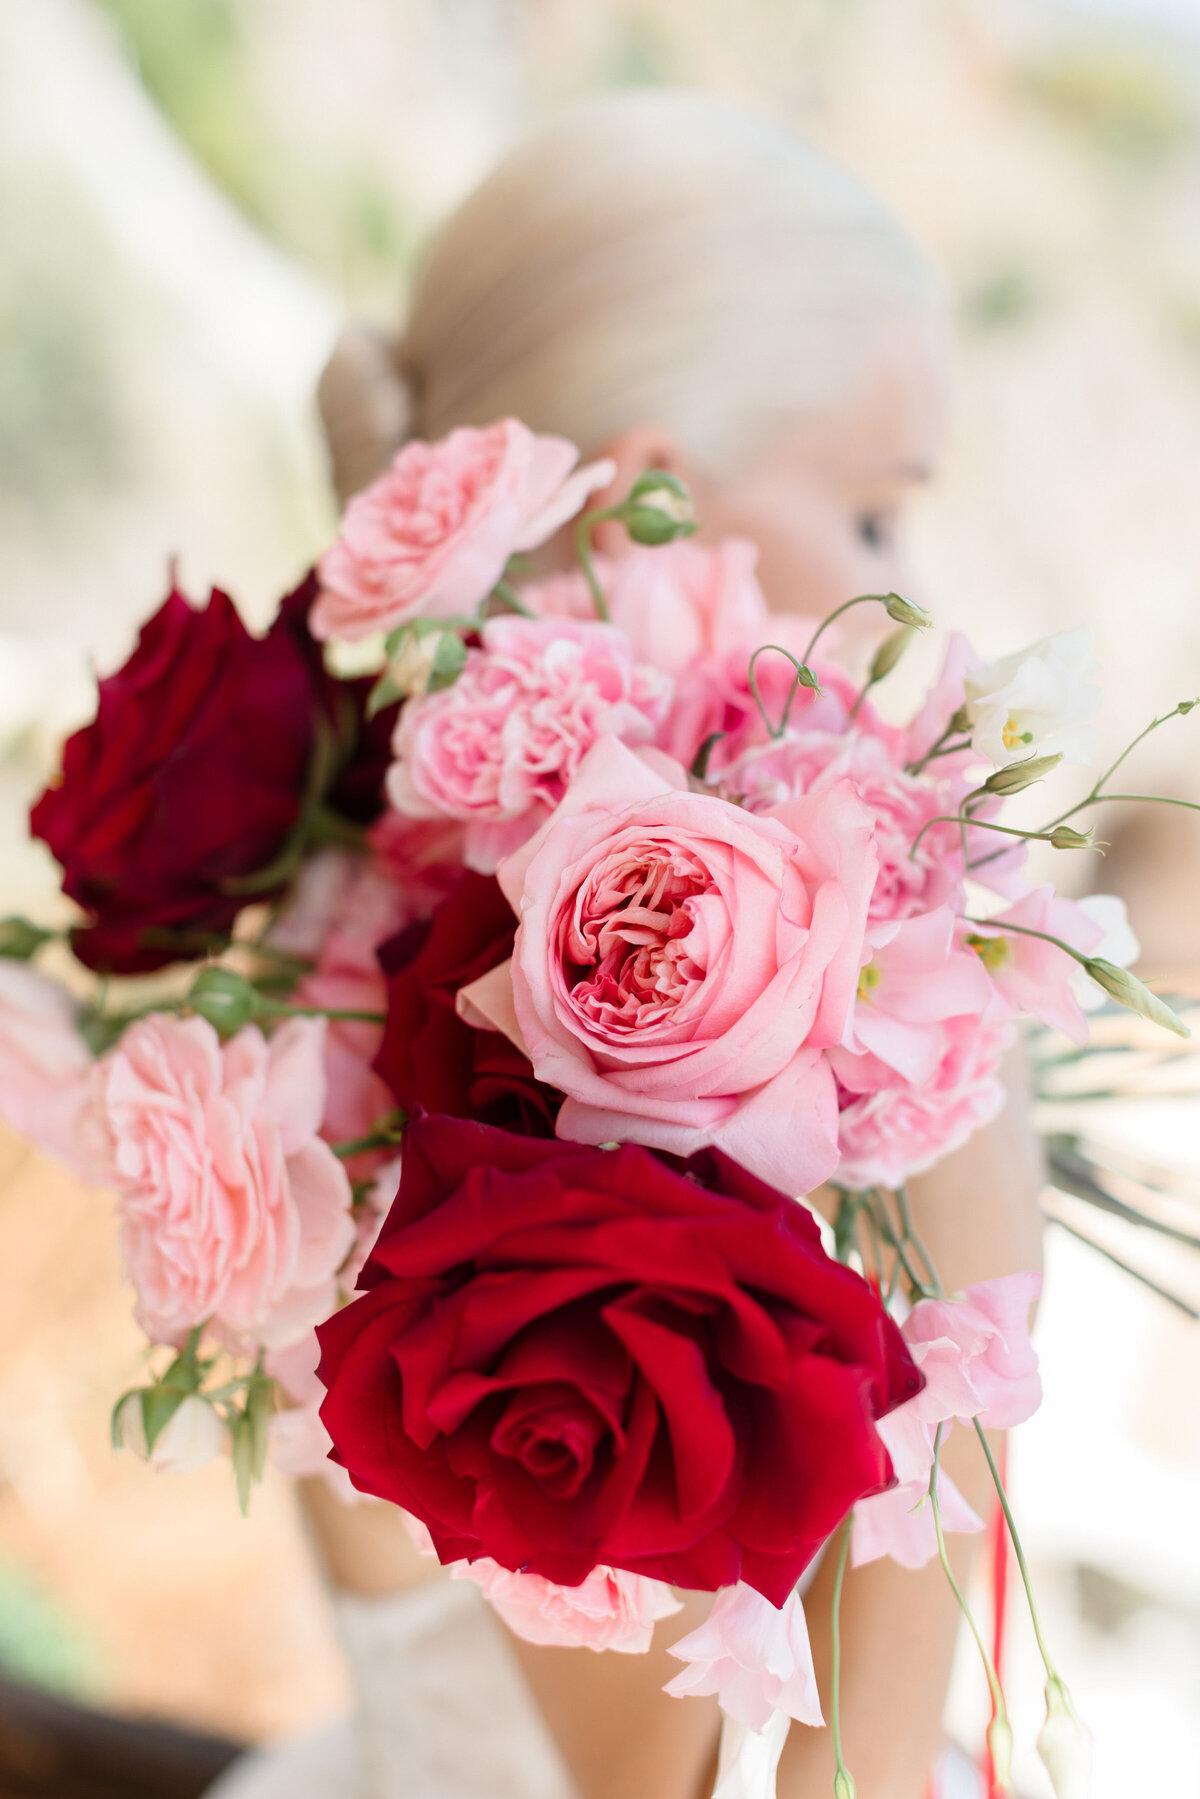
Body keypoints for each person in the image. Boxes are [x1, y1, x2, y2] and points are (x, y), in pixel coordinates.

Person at [211, 89, 1043, 1799]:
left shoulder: (325, 948)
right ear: (651, 504)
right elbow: (810, 1767)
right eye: (876, 517)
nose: (913, 592)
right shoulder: (598, 1078)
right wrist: (981, 1185)